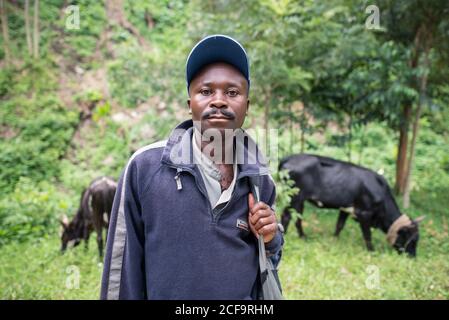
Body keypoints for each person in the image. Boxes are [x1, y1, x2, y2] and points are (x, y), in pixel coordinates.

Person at [100, 34, 284, 300]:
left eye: (232, 92)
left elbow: (270, 260)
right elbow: (121, 270)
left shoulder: (259, 178)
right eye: (205, 91)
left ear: (246, 105)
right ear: (190, 104)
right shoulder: (145, 169)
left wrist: (270, 237)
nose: (219, 100)